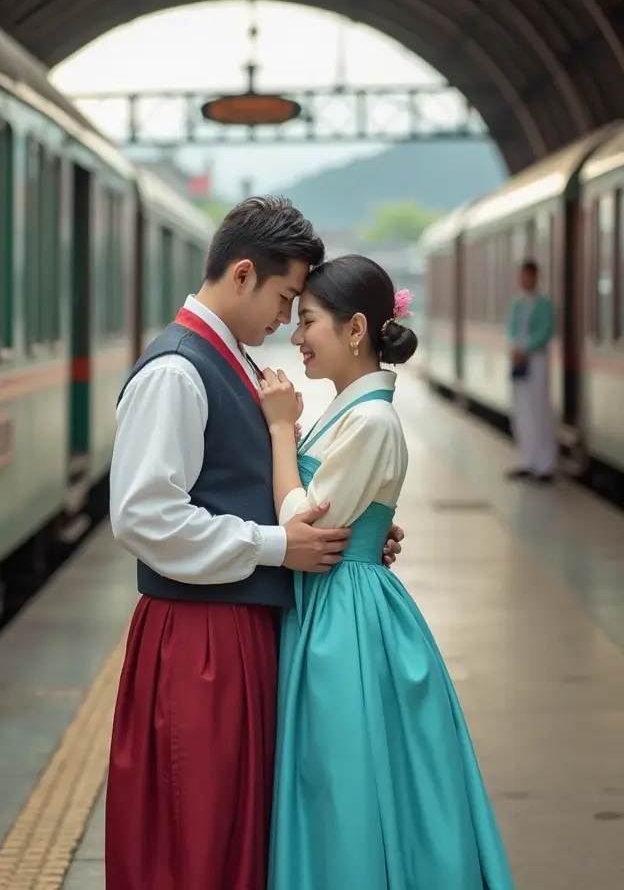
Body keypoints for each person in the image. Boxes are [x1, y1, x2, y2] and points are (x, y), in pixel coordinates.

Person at [105, 197, 405, 890]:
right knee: (198, 835)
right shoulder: (177, 370)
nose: (286, 319)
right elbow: (144, 517)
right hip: (199, 638)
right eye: (284, 297)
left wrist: (342, 532)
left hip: (230, 629)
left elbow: (246, 484)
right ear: (242, 275)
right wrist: (277, 546)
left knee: (230, 836)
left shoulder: (225, 359)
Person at [259, 254, 514, 890]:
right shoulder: (353, 411)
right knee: (349, 776)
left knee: (345, 779)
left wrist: (280, 431)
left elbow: (303, 521)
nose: (296, 336)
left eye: (308, 320)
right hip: (341, 601)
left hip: (343, 617)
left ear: (354, 330)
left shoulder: (369, 418)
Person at [506, 258, 557, 483]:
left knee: (539, 410)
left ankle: (545, 465)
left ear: (536, 277)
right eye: (522, 276)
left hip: (536, 360)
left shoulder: (545, 304)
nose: (525, 280)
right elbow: (510, 330)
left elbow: (545, 331)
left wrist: (525, 348)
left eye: (529, 276)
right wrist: (515, 348)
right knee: (521, 409)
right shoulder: (516, 304)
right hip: (519, 360)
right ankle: (527, 461)